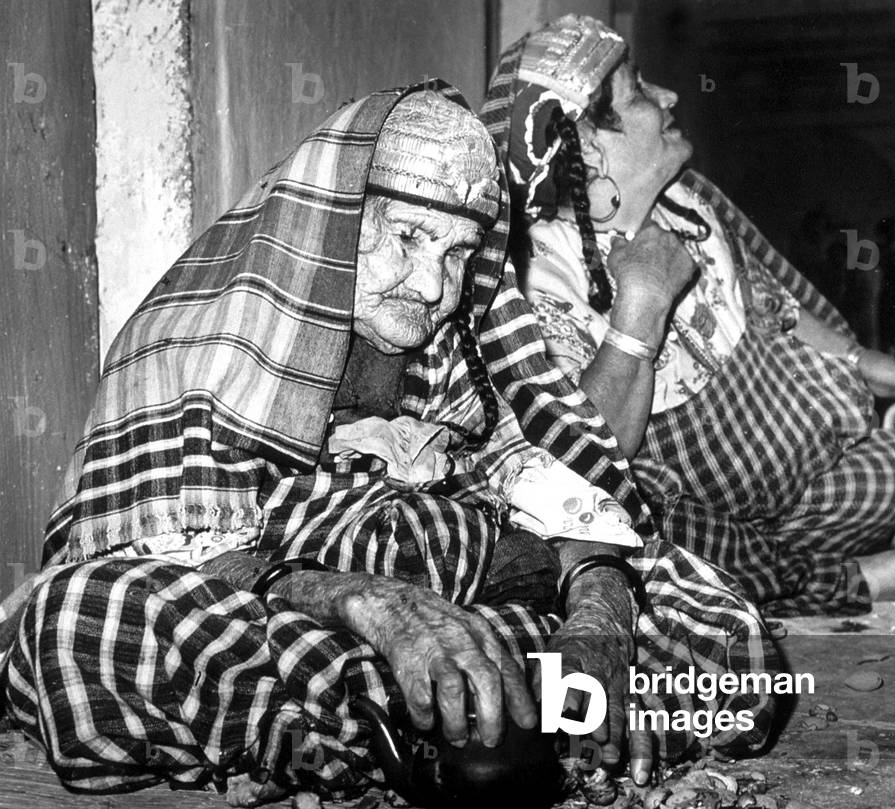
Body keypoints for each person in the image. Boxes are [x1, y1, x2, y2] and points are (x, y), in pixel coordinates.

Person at [0, 84, 780, 805]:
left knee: (717, 630)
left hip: (465, 601)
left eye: (457, 253)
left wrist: (598, 616)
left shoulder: (455, 341)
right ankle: (484, 728)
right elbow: (169, 554)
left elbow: (543, 485)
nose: (434, 285)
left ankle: (427, 727)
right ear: (337, 221)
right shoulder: (200, 335)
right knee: (80, 623)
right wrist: (370, 603)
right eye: (407, 236)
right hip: (281, 609)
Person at [482, 14, 895, 617]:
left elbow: (781, 311)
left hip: (787, 484)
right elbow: (584, 462)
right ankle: (834, 579)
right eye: (641, 90)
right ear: (590, 146)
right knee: (640, 526)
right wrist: (640, 306)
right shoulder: (539, 271)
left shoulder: (691, 201)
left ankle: (753, 571)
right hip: (686, 502)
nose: (669, 96)